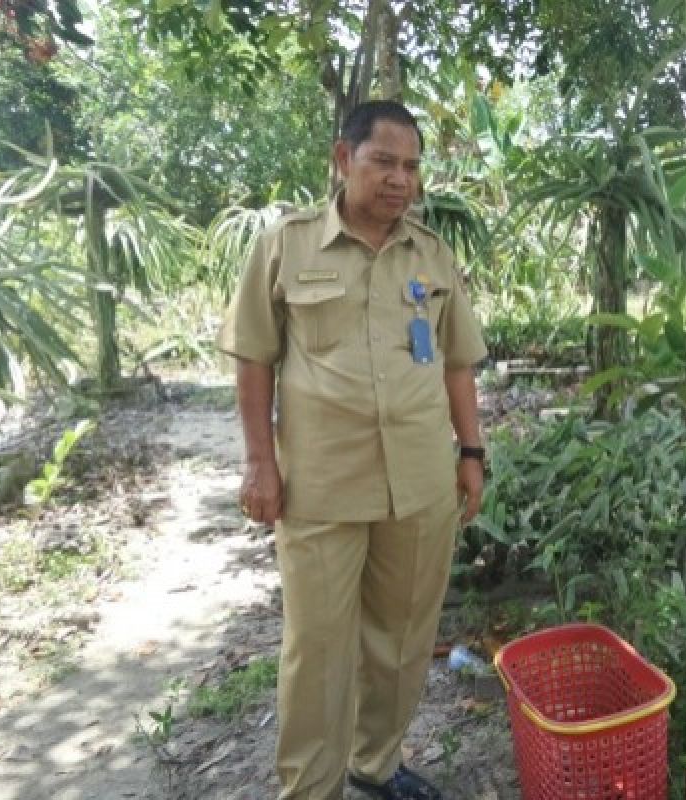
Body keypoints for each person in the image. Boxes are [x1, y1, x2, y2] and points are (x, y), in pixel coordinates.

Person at [216, 100, 487, 800]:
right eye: (384, 162)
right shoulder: (287, 244)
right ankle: (310, 788)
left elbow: (458, 363)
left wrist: (472, 453)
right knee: (318, 652)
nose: (400, 180)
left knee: (400, 640)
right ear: (344, 159)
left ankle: (375, 762)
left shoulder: (433, 254)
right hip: (322, 486)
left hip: (421, 482)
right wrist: (258, 462)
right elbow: (253, 358)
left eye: (412, 166)